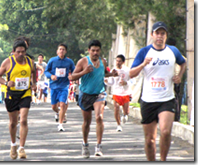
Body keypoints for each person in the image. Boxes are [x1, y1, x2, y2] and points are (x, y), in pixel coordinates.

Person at [129, 21, 186, 161]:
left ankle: (163, 160)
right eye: (157, 33)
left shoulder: (173, 51)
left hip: (167, 98)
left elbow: (183, 62)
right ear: (152, 35)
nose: (160, 36)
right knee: (150, 140)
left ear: (166, 36)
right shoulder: (144, 52)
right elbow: (131, 73)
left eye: (163, 34)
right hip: (148, 100)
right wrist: (143, 64)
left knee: (166, 132)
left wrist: (179, 76)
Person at [70, 40, 118, 158]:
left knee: (99, 117)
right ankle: (85, 144)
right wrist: (84, 71)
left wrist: (111, 74)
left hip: (99, 94)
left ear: (100, 51)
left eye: (97, 50)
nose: (95, 53)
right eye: (93, 50)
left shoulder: (103, 61)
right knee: (87, 122)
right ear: (89, 51)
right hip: (86, 94)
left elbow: (102, 74)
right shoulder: (83, 61)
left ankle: (98, 146)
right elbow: (71, 77)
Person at [0, 40, 37, 159]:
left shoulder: (30, 61)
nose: (20, 54)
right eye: (18, 52)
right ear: (13, 52)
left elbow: (34, 72)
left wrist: (34, 83)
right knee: (13, 122)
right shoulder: (8, 62)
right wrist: (6, 82)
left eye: (23, 52)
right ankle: (13, 144)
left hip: (25, 93)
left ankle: (21, 148)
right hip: (11, 95)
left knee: (23, 120)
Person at [44, 43, 75, 132]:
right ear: (57, 51)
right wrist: (51, 76)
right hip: (54, 86)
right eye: (60, 49)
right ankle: (58, 113)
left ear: (65, 51)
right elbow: (46, 71)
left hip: (64, 86)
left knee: (62, 104)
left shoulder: (69, 61)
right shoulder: (52, 60)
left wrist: (72, 76)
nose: (61, 51)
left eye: (63, 49)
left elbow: (74, 71)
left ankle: (60, 124)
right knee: (54, 106)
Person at [105, 54, 132, 132]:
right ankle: (118, 125)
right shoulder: (113, 71)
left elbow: (132, 81)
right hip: (116, 92)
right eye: (117, 61)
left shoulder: (127, 70)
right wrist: (106, 81)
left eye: (119, 61)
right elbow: (111, 82)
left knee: (126, 111)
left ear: (123, 62)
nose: (118, 62)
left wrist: (126, 83)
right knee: (116, 108)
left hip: (126, 92)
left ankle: (125, 115)